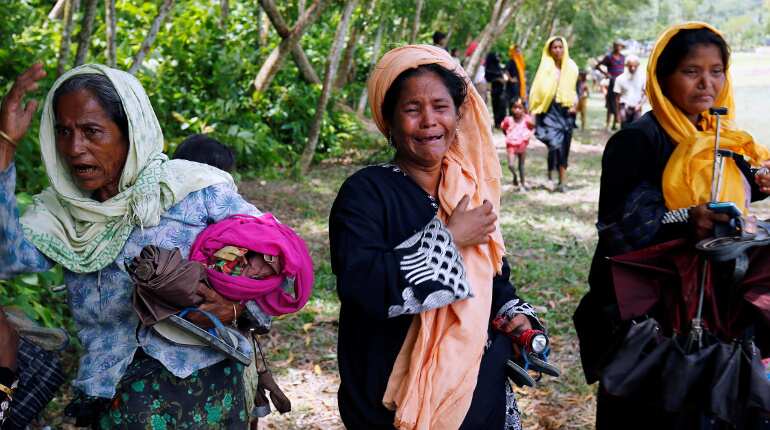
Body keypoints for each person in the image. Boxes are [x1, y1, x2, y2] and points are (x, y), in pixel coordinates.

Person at [0, 63, 268, 428]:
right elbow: (9, 258)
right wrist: (5, 147)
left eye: (92, 131)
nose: (75, 147)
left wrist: (235, 308)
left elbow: (281, 263)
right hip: (110, 400)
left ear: (131, 132)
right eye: (64, 132)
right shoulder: (60, 214)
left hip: (206, 397)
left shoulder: (192, 191)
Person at [330, 45, 541, 430]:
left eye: (441, 107)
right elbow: (361, 285)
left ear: (458, 116)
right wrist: (448, 239)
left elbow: (495, 282)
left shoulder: (469, 189)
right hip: (390, 395)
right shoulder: (365, 193)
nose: (429, 121)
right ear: (390, 122)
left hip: (478, 388)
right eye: (412, 110)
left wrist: (518, 318)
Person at [573, 22, 770, 429]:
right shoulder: (638, 141)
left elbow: (733, 191)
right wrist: (686, 218)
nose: (707, 83)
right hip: (653, 311)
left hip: (714, 305)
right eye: (691, 71)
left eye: (717, 71)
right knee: (651, 408)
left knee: (707, 403)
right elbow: (618, 228)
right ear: (662, 77)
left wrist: (761, 183)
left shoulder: (721, 136)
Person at [529, 36, 579, 192]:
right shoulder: (545, 68)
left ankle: (561, 182)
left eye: (560, 47)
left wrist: (575, 104)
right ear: (549, 50)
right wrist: (532, 112)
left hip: (565, 110)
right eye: (554, 47)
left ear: (565, 48)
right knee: (554, 145)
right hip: (548, 111)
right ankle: (551, 175)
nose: (557, 50)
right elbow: (536, 90)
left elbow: (574, 89)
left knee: (564, 147)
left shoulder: (571, 67)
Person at [500, 98, 535, 190]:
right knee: (511, 165)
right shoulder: (508, 120)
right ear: (511, 108)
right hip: (511, 145)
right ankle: (515, 176)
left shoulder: (526, 119)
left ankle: (522, 183)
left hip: (522, 144)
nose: (517, 110)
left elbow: (532, 126)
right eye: (515, 108)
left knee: (521, 165)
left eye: (520, 108)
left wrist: (527, 136)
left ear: (524, 109)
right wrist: (509, 135)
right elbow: (503, 128)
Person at [595, 40, 625, 130]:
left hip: (622, 83)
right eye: (617, 46)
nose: (618, 48)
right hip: (613, 82)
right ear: (614, 46)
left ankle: (615, 124)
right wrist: (606, 74)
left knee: (619, 103)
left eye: (620, 46)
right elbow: (597, 66)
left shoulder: (623, 57)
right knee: (611, 102)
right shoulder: (609, 57)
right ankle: (608, 124)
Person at [613, 55, 646, 128]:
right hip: (623, 107)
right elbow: (617, 98)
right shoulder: (620, 79)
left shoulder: (643, 78)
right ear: (626, 66)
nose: (632, 68)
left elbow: (646, 94)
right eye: (630, 66)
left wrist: (640, 105)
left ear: (638, 65)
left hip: (636, 107)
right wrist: (617, 114)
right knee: (624, 130)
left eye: (635, 66)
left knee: (635, 130)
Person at [485, 52, 508, 128]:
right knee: (496, 107)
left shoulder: (498, 66)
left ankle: (503, 123)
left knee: (503, 107)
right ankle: (497, 123)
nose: (498, 58)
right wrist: (498, 79)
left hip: (502, 89)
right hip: (495, 90)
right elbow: (488, 78)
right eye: (496, 56)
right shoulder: (489, 68)